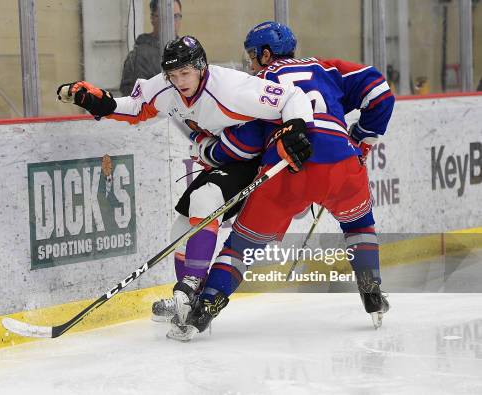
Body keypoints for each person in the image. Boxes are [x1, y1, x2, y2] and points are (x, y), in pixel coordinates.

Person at [57, 35, 314, 335]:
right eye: (174, 74)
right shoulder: (164, 88)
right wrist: (95, 100)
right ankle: (186, 301)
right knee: (181, 227)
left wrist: (297, 127)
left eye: (186, 73)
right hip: (221, 159)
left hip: (252, 158)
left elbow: (290, 97)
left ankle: (191, 285)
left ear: (201, 68)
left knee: (205, 200)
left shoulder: (230, 87)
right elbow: (133, 108)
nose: (179, 81)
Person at [168, 21, 395, 341]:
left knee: (242, 247)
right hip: (341, 161)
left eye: (251, 55)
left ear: (265, 53)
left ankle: (203, 310)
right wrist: (360, 139)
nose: (249, 62)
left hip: (286, 169)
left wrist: (208, 150)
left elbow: (244, 144)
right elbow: (380, 92)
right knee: (359, 224)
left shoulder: (259, 82)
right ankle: (371, 290)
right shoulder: (326, 67)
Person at [119, 0, 182, 96]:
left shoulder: (186, 51)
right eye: (165, 16)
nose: (171, 22)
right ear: (153, 18)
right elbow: (132, 96)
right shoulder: (139, 56)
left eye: (176, 16)